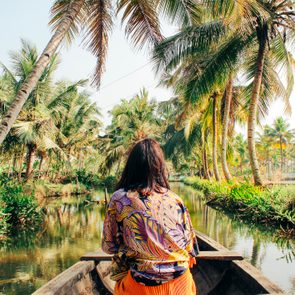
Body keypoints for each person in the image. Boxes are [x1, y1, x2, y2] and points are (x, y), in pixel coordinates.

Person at [102, 138, 199, 295]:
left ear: (131, 167)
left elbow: (109, 246)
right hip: (181, 285)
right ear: (160, 167)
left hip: (142, 287)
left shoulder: (119, 198)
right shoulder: (175, 199)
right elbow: (191, 248)